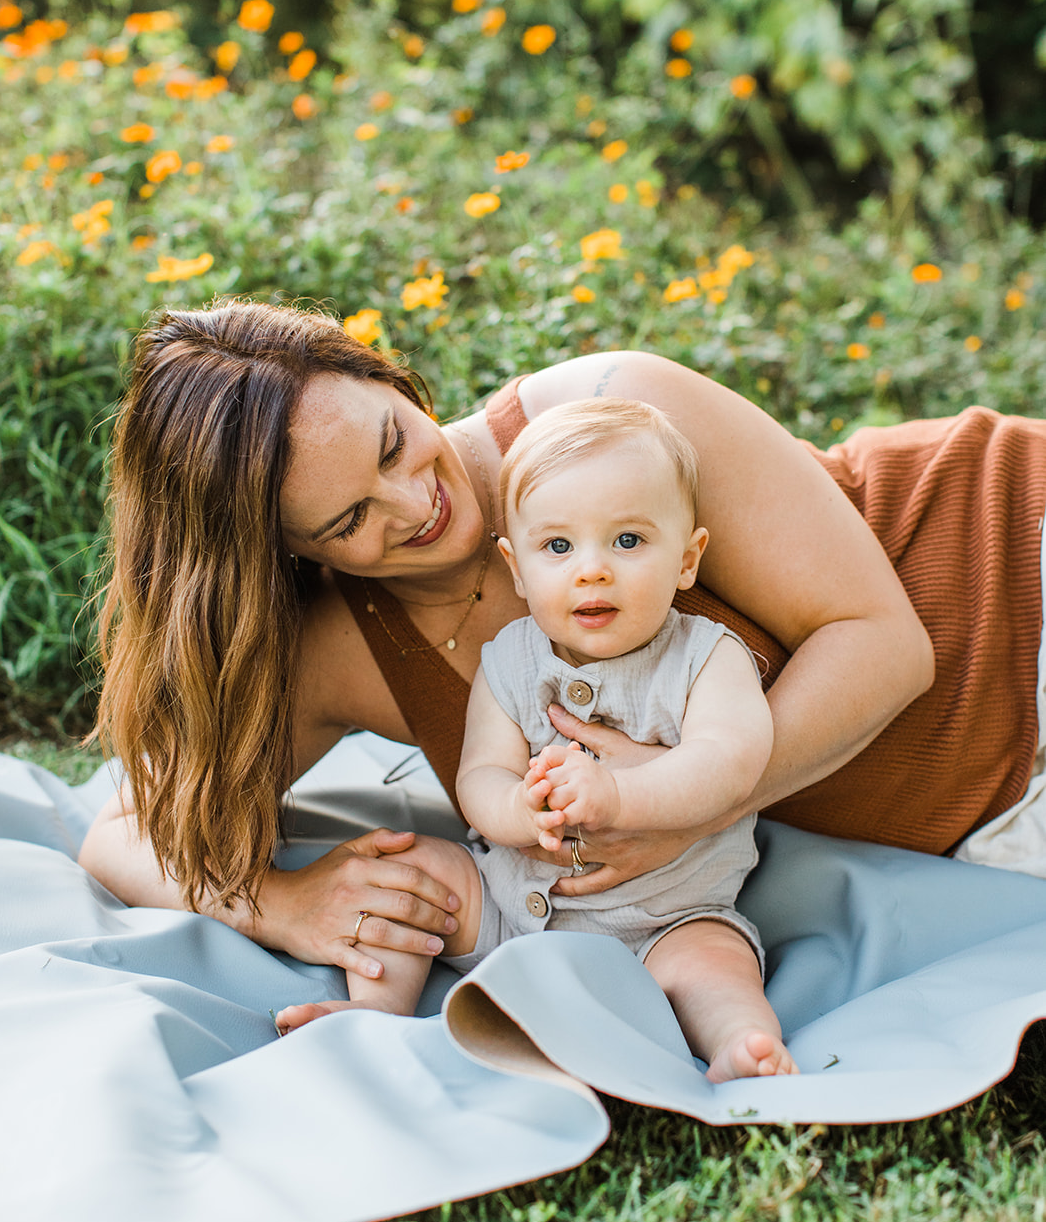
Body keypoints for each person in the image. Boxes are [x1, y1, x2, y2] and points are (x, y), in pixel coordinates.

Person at [78, 299, 1046, 984]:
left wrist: (669, 806)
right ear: (286, 555)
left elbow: (883, 643)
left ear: (381, 372)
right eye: (347, 521)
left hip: (1005, 565)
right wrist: (285, 905)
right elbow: (129, 826)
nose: (416, 504)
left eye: (389, 442)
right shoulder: (343, 651)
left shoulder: (605, 408)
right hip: (990, 814)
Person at [275, 400, 797, 1081]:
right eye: (557, 547)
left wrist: (620, 795)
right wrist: (519, 812)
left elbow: (727, 762)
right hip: (508, 902)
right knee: (414, 876)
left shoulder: (705, 657)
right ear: (516, 570)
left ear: (686, 559)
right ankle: (379, 1008)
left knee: (713, 963)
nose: (591, 570)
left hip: (665, 912)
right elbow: (480, 777)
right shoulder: (509, 662)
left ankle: (739, 1043)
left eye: (628, 541)